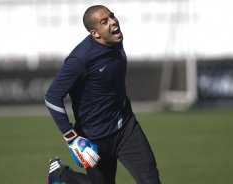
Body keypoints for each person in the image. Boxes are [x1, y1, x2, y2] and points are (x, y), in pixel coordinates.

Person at [44, 5, 161, 184]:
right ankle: (60, 174)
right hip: (95, 137)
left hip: (126, 128)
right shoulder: (80, 59)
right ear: (95, 33)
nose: (113, 22)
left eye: (112, 16)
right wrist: (71, 138)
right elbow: (52, 97)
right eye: (104, 21)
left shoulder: (115, 39)